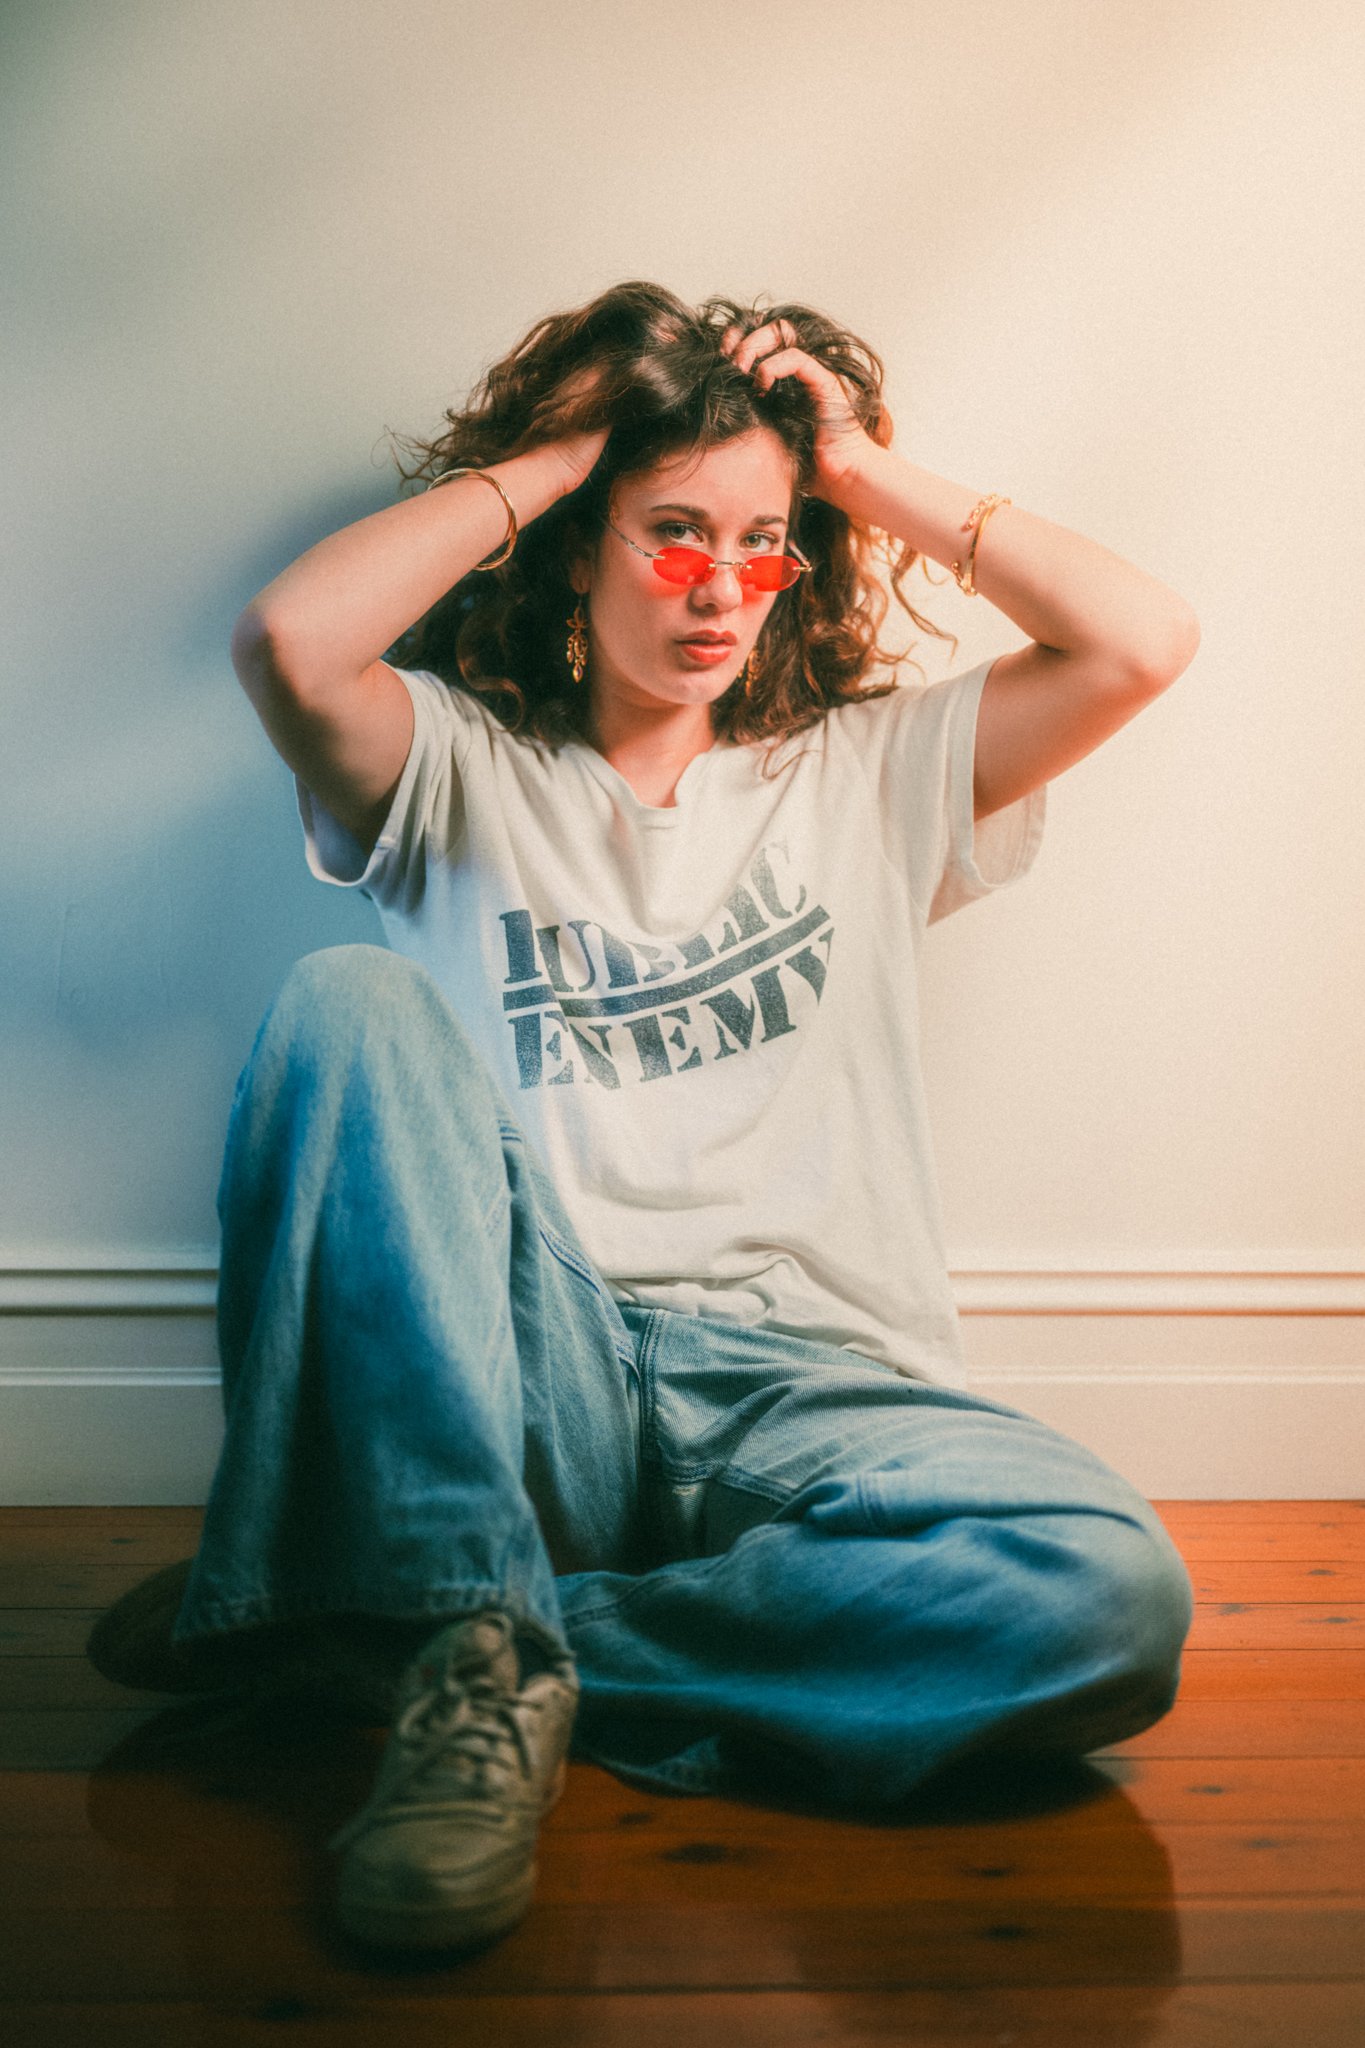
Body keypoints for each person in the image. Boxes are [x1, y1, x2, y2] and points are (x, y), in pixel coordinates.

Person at [89, 281, 1201, 1955]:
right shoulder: (462, 768)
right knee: (346, 1003)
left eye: (763, 543)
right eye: (672, 529)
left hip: (815, 1388)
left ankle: (427, 1630)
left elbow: (1139, 639)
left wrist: (853, 471)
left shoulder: (865, 777)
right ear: (580, 543)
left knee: (1104, 1596)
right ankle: (449, 1621)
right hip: (541, 1373)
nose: (721, 584)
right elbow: (292, 644)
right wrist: (563, 450)